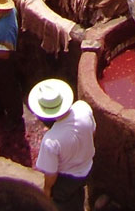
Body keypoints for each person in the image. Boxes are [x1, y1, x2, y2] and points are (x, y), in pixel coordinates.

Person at [30, 79, 95, 210]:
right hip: (88, 167)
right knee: (78, 193)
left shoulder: (51, 141)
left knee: (63, 204)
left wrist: (47, 191)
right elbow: (93, 132)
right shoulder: (83, 108)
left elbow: (51, 174)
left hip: (67, 179)